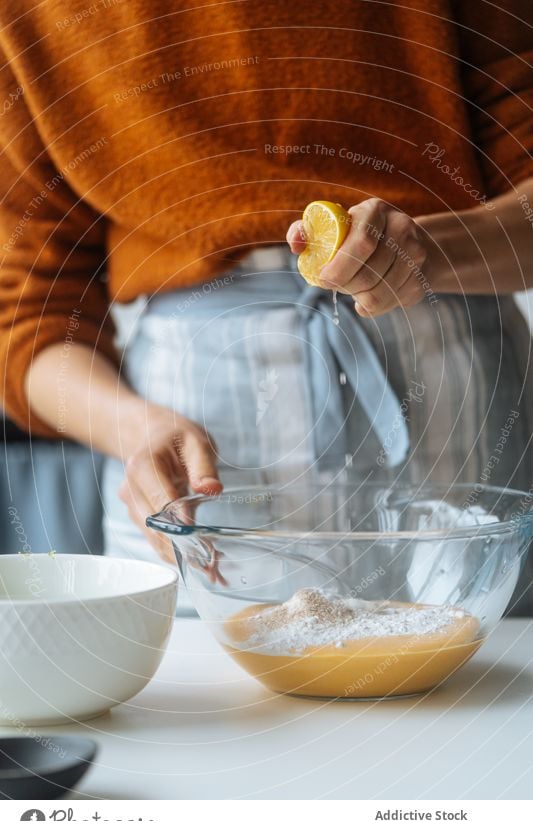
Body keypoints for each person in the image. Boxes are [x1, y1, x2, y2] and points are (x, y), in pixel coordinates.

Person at [0, 2, 532, 611]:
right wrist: (132, 428)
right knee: (214, 694)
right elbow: (28, 314)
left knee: (488, 683)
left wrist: (431, 251)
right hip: (193, 418)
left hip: (451, 394)